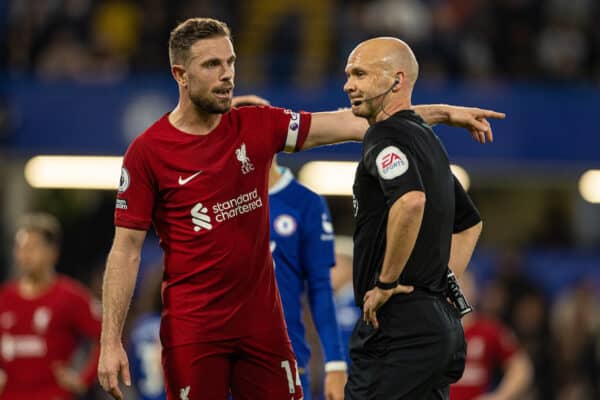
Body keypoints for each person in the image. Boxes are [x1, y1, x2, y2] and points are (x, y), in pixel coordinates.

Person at [98, 17, 504, 400]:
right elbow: (126, 249)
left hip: (264, 327)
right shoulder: (148, 153)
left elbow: (359, 121)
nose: (227, 74)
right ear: (180, 75)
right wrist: (110, 340)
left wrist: (443, 113)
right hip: (195, 328)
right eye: (211, 65)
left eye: (231, 62)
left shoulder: (258, 126)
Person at [344, 37, 486, 399]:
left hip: (396, 328)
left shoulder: (383, 136)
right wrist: (440, 284)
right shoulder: (430, 143)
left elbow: (409, 201)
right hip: (439, 328)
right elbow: (470, 223)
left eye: (360, 74)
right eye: (348, 75)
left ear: (396, 79)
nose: (348, 85)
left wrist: (387, 283)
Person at [268, 156, 346, 400]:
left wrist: (335, 364)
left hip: (286, 358)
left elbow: (320, 288)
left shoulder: (305, 202)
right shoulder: (218, 195)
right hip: (224, 358)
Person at [0, 212, 102, 399]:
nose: (25, 254)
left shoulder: (71, 296)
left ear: (52, 252)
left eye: (33, 247)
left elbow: (105, 338)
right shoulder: (4, 297)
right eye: (20, 247)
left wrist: (83, 380)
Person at [450, 271, 532, 400]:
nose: (456, 293)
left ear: (474, 292)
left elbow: (521, 368)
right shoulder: (430, 333)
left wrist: (499, 396)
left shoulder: (489, 330)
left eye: (463, 286)